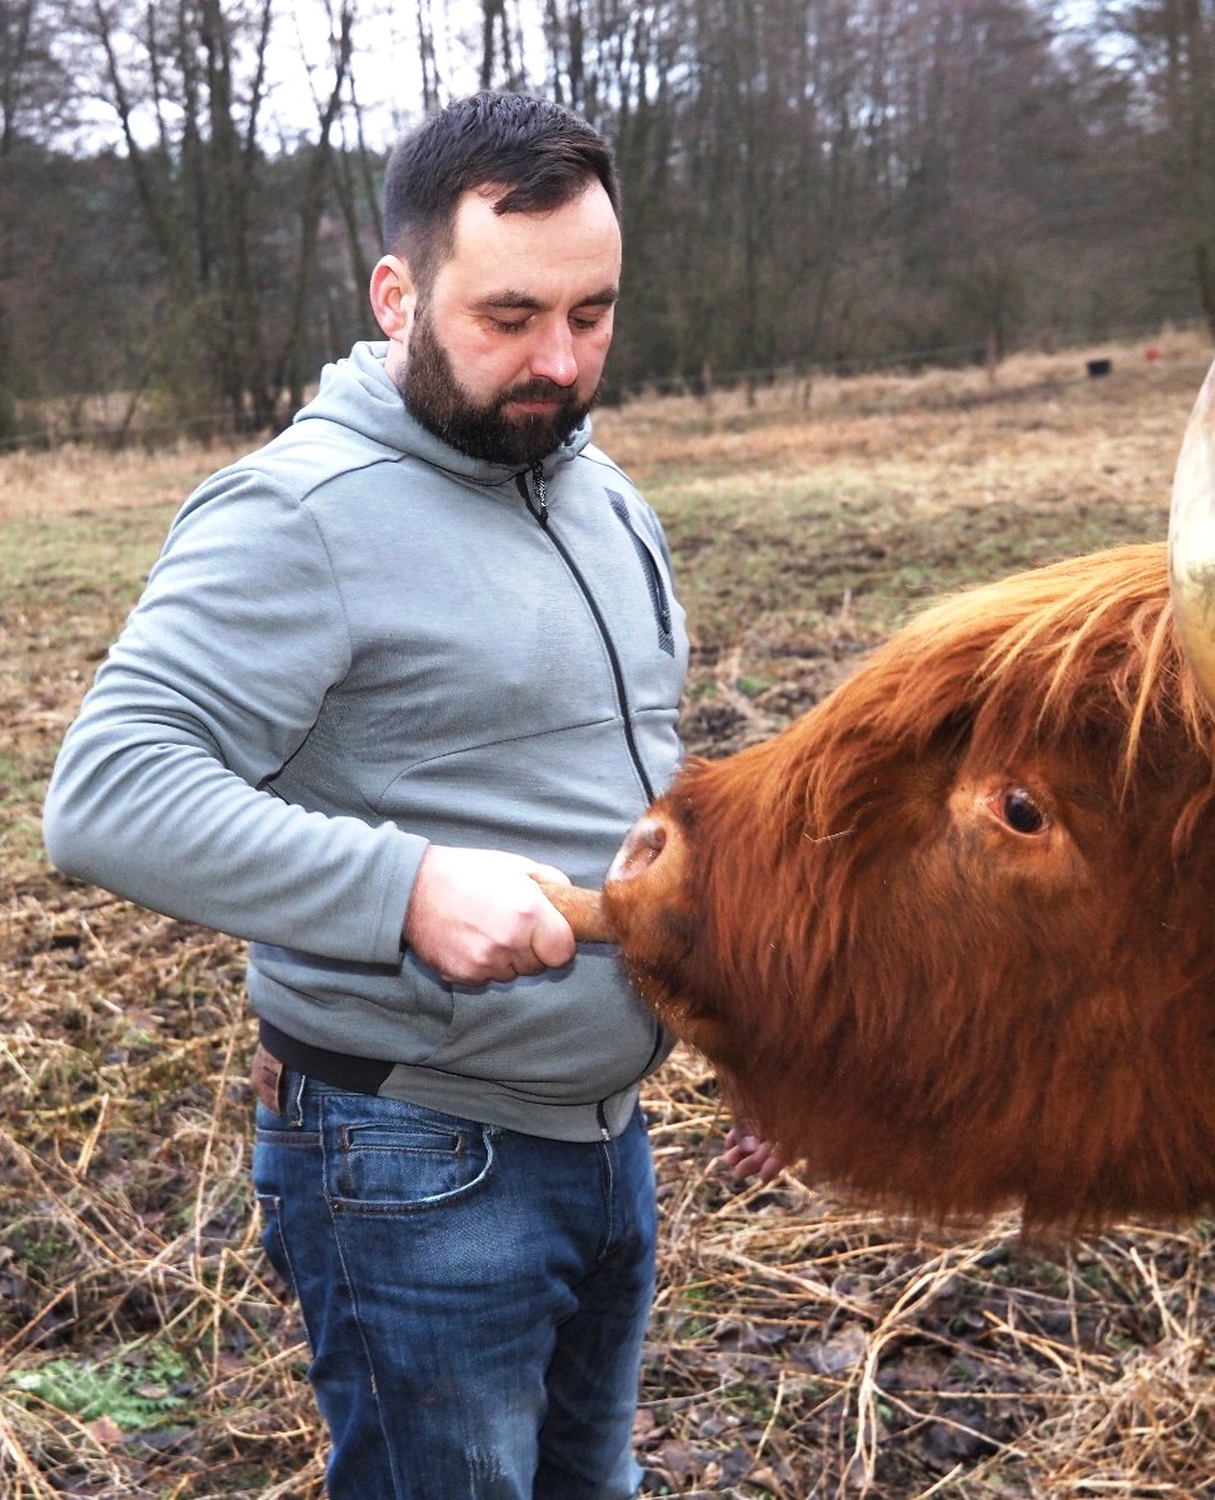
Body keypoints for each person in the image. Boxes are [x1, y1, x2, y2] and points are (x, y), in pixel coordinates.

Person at [44, 90, 776, 1500]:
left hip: (607, 1142)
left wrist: (742, 1025)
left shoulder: (599, 493)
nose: (558, 361)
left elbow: (623, 801)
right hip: (416, 1159)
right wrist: (409, 888)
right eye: (509, 316)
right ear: (397, 295)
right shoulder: (297, 514)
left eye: (592, 314)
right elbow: (108, 790)